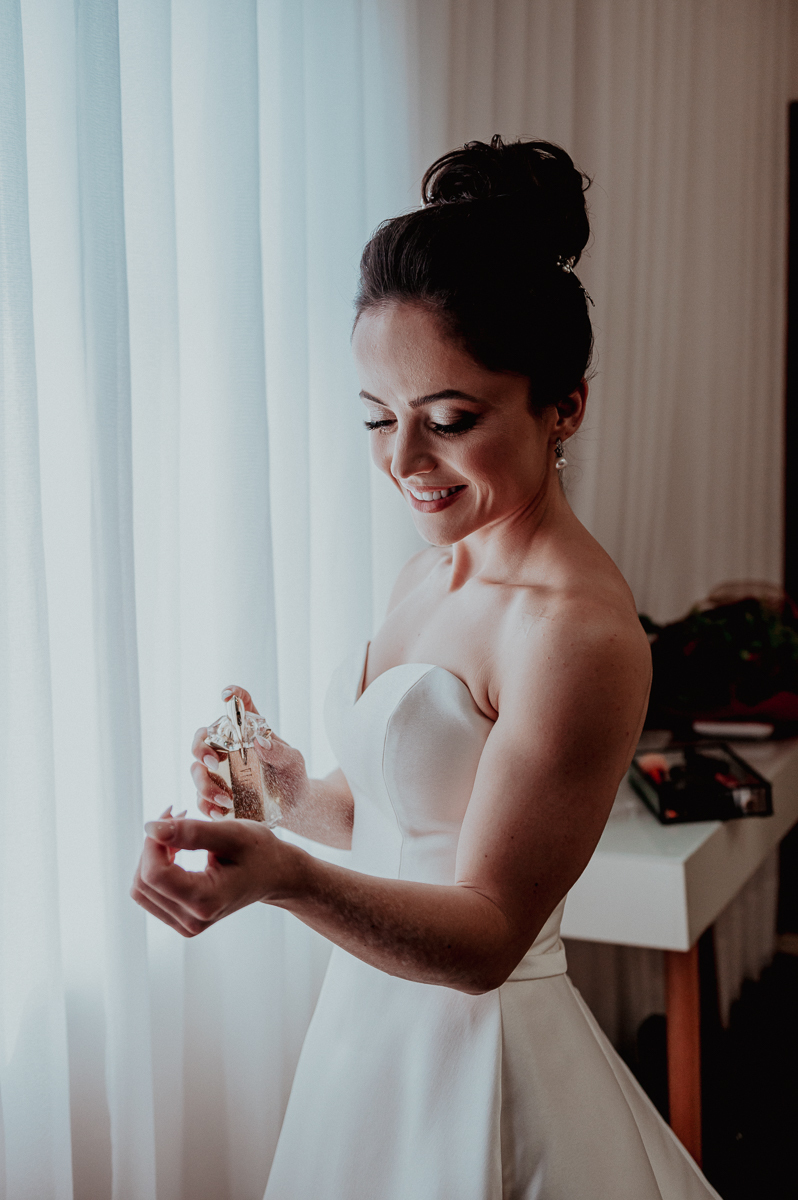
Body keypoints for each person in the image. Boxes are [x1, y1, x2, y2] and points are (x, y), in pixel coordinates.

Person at [132, 136, 721, 1199]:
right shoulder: (427, 575)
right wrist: (280, 789)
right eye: (378, 417)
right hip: (368, 1036)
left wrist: (282, 879)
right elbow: (401, 829)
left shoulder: (579, 633)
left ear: (565, 407)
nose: (403, 461)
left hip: (481, 1054)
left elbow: (489, 930)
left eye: (449, 420)